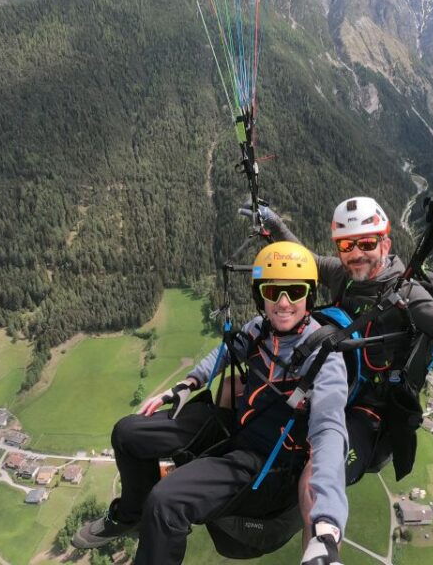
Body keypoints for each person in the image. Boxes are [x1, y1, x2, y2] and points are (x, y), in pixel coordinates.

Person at [72, 242, 349, 565]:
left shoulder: (324, 357)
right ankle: (129, 516)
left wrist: (326, 526)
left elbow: (330, 430)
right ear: (261, 296)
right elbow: (225, 353)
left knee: (166, 501)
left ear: (309, 296)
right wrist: (188, 383)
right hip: (233, 425)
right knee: (128, 433)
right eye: (273, 291)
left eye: (295, 291)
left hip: (264, 460)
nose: (283, 303)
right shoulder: (259, 330)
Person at [241, 197, 433, 498]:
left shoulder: (409, 294)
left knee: (317, 477)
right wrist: (276, 225)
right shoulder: (342, 276)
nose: (357, 254)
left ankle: (321, 539)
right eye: (347, 246)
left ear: (385, 244)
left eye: (367, 244)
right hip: (329, 384)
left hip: (367, 413)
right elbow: (309, 260)